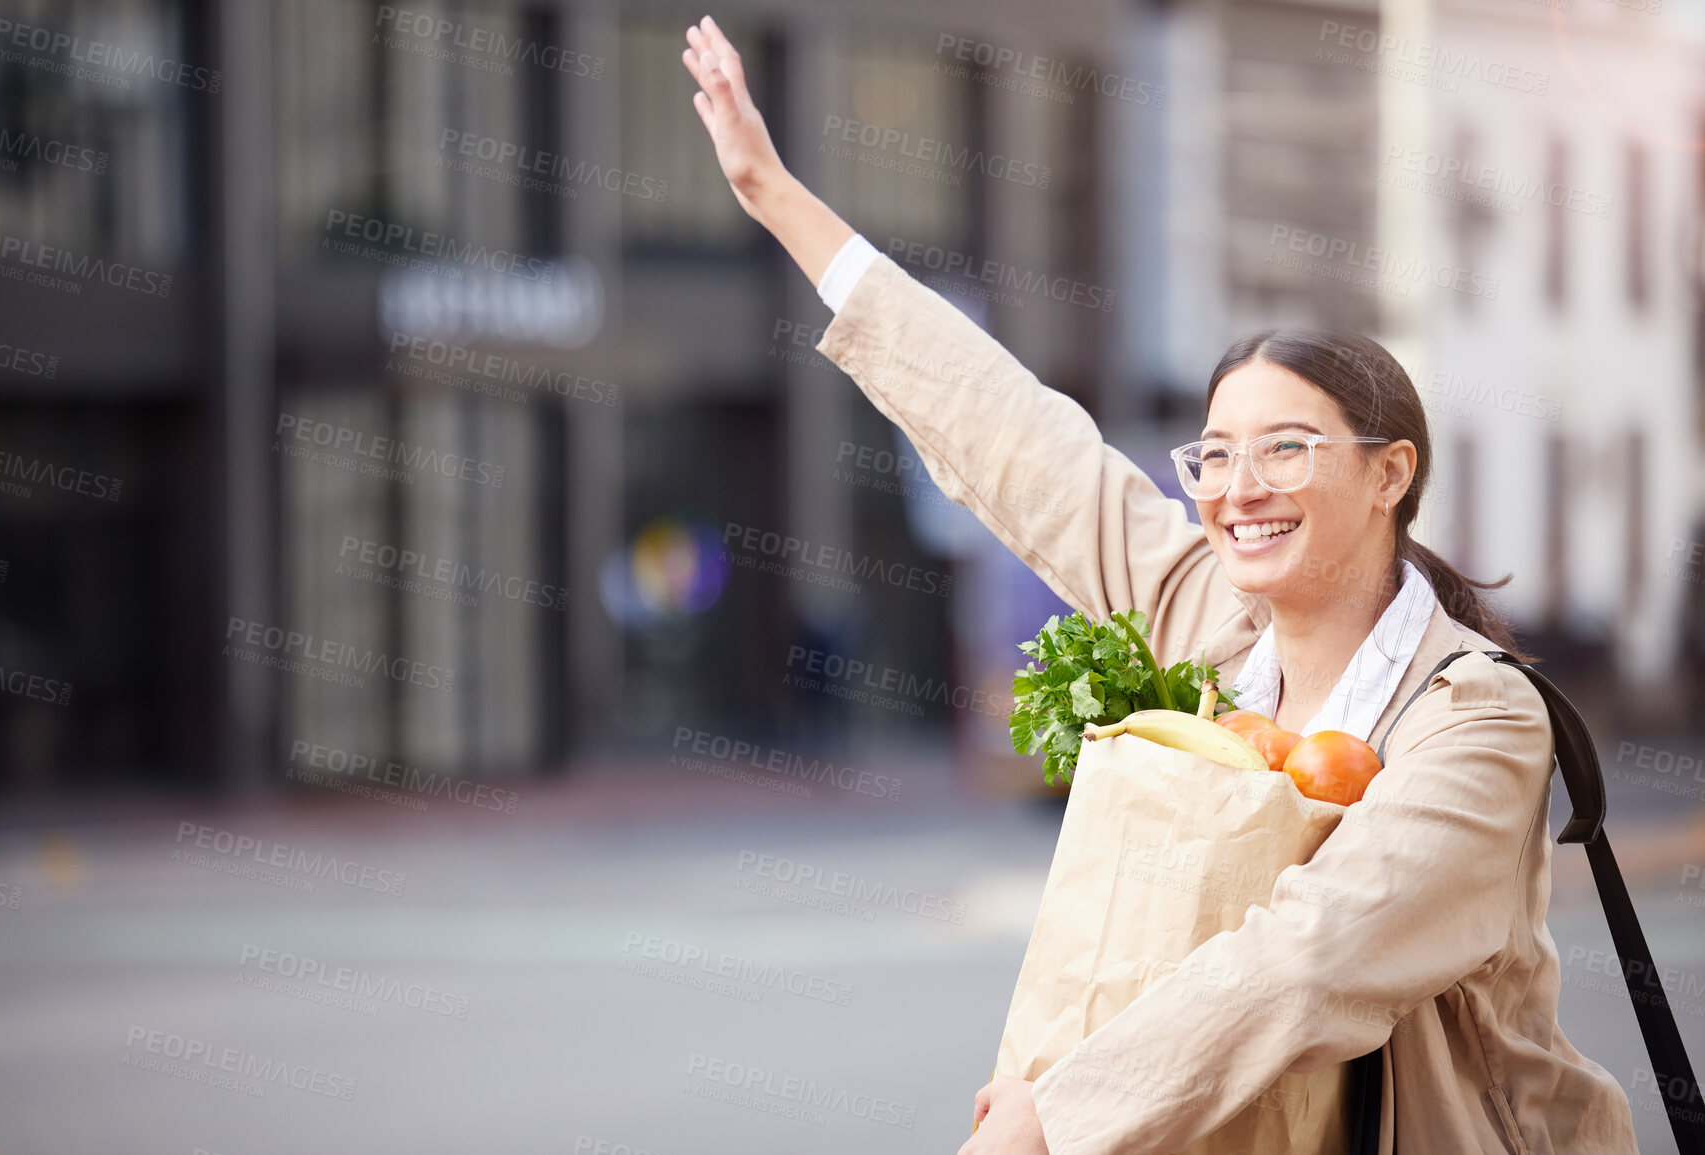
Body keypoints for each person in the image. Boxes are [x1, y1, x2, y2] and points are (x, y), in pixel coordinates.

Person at [680, 15, 1639, 1154]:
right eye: (1215, 454)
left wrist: (1061, 1113)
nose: (1238, 486)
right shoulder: (1214, 629)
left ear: (1391, 474)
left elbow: (1314, 956)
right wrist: (778, 196)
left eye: (1287, 447)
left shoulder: (1476, 719)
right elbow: (1019, 443)